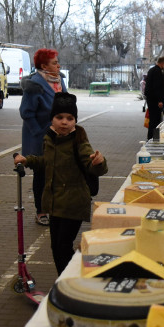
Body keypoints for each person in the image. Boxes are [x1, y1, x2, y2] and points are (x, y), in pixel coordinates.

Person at [14, 92, 108, 275]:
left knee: (63, 246)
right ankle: (65, 281)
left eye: (70, 118)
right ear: (52, 119)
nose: (65, 122)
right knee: (56, 247)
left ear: (75, 120)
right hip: (55, 202)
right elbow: (47, 162)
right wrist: (28, 160)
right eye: (60, 117)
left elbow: (93, 166)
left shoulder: (79, 140)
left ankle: (70, 281)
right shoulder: (50, 138)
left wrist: (98, 162)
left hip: (74, 203)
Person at [20, 49, 66, 226]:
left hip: (60, 137)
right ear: (44, 66)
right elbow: (26, 112)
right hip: (39, 138)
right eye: (55, 63)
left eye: (57, 62)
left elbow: (66, 103)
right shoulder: (34, 85)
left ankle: (55, 207)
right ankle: (41, 210)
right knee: (41, 175)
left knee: (56, 174)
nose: (58, 65)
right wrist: (40, 132)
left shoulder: (60, 80)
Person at [144, 56, 164, 140]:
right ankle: (153, 138)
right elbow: (157, 87)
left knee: (153, 119)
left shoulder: (152, 70)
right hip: (155, 100)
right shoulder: (157, 72)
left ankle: (152, 137)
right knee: (156, 120)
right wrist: (160, 100)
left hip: (151, 99)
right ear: (162, 63)